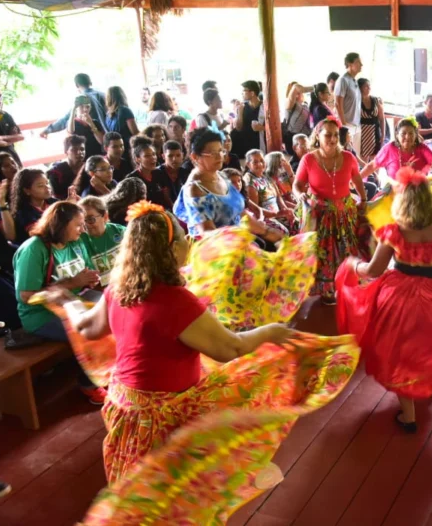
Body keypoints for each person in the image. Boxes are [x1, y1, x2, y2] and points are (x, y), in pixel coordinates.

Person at [41, 199, 358, 498]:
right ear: (169, 250)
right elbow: (230, 348)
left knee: (146, 497)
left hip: (126, 408)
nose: (188, 241)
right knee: (177, 499)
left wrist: (65, 301)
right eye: (182, 238)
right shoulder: (175, 301)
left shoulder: (118, 289)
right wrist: (270, 332)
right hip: (163, 418)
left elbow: (86, 327)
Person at [337, 167, 432, 431]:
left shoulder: (393, 232)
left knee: (401, 355)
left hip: (400, 301)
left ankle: (408, 417)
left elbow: (374, 270)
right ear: (428, 199)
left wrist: (353, 265)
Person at [13, 201, 104, 402]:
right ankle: (88, 384)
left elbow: (83, 275)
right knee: (91, 330)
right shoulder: (34, 249)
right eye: (78, 224)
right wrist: (73, 283)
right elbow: (26, 295)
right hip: (41, 314)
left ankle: (109, 371)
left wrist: (89, 278)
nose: (84, 228)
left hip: (73, 301)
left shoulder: (76, 242)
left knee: (115, 311)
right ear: (60, 225)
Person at [293, 118, 370, 303]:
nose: (333, 139)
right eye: (328, 135)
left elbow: (358, 180)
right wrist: (299, 195)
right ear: (317, 136)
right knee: (325, 254)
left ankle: (346, 285)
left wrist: (364, 199)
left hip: (345, 213)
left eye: (336, 135)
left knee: (346, 250)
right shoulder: (308, 159)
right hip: (320, 216)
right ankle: (327, 290)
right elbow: (297, 184)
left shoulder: (349, 157)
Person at [174, 128, 284, 245]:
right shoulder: (194, 189)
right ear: (195, 157)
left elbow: (242, 215)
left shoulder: (222, 177)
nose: (219, 156)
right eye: (213, 153)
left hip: (237, 241)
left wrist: (268, 231)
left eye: (221, 151)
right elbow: (208, 233)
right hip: (217, 249)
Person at [362, 117, 432, 180]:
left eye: (411, 133)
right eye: (403, 133)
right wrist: (356, 179)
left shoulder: (422, 148)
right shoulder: (390, 148)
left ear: (416, 135)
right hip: (395, 196)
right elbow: (372, 166)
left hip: (419, 194)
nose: (407, 137)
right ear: (397, 135)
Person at [40, 74, 108, 139]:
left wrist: (48, 130)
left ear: (76, 85)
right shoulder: (104, 95)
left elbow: (66, 119)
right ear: (91, 83)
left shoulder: (84, 98)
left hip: (94, 137)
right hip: (108, 135)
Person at [77, 196, 125, 286]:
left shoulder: (120, 231)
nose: (86, 225)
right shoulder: (78, 241)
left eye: (91, 219)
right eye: (82, 221)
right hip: (100, 289)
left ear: (105, 216)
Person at [10, 168, 58, 244]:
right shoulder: (23, 212)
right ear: (27, 191)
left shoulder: (53, 202)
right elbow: (40, 233)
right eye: (41, 186)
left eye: (47, 183)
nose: (47, 187)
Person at [127, 136, 173, 210]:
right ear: (137, 159)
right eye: (147, 156)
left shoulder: (159, 173)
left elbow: (166, 197)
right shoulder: (132, 179)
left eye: (154, 154)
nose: (153, 158)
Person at [0, 83, 24, 165]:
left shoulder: (5, 115)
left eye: (0, 95)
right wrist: (11, 139)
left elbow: (21, 136)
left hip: (12, 157)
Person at [335, 53, 364, 159]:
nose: (361, 64)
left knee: (355, 157)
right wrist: (343, 125)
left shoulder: (354, 80)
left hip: (356, 124)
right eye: (358, 62)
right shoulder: (343, 80)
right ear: (349, 64)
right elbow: (338, 103)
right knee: (345, 157)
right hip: (347, 125)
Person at [103, 86, 140, 162]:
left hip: (114, 147)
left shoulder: (108, 114)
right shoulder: (125, 110)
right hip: (126, 146)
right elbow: (135, 132)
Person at [47, 135, 87, 201]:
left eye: (82, 149)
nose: (79, 153)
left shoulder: (88, 167)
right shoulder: (55, 172)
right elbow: (58, 197)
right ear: (66, 152)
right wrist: (80, 172)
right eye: (74, 150)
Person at [232, 81, 265, 158]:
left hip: (261, 145)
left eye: (244, 91)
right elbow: (238, 128)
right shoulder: (242, 107)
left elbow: (275, 127)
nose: (242, 93)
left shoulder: (265, 107)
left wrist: (262, 128)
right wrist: (239, 113)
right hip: (245, 147)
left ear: (252, 93)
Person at [358, 78, 385, 165]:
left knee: (375, 159)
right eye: (366, 86)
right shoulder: (356, 102)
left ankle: (375, 178)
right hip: (362, 133)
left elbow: (381, 118)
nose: (369, 88)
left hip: (374, 132)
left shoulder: (376, 100)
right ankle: (363, 178)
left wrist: (383, 134)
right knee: (363, 160)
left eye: (369, 86)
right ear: (360, 88)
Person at [282, 83, 309, 153]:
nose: (297, 95)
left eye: (300, 92)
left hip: (304, 138)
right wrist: (314, 88)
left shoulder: (305, 105)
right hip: (293, 138)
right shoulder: (290, 104)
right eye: (295, 93)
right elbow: (295, 87)